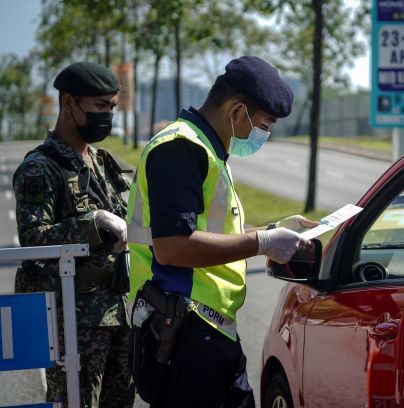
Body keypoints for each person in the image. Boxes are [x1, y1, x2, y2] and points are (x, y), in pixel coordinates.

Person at [127, 55, 317, 407]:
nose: (263, 134)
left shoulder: (207, 150)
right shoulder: (180, 149)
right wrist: (262, 242)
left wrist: (273, 230)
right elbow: (172, 247)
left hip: (207, 329)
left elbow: (208, 230)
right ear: (236, 112)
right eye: (263, 124)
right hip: (182, 332)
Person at [12, 61, 135, 407]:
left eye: (111, 107)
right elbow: (33, 239)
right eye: (99, 106)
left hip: (117, 312)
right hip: (72, 322)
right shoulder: (41, 167)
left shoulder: (101, 161)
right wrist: (91, 225)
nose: (107, 115)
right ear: (69, 103)